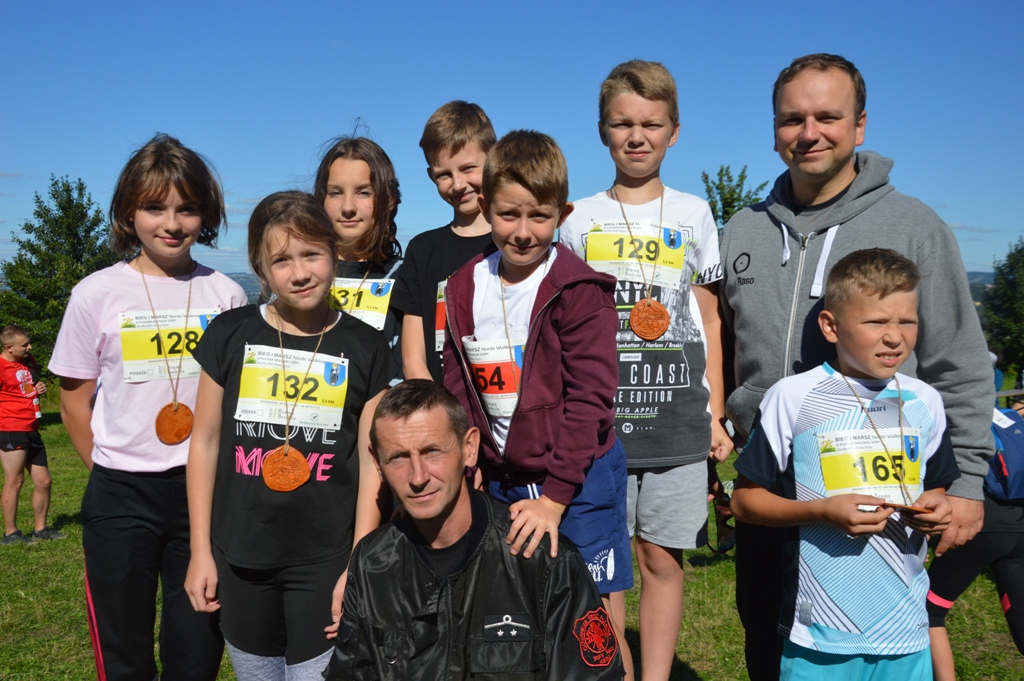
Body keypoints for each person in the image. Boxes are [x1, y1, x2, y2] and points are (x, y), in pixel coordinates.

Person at [719, 53, 994, 679]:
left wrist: (967, 483)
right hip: (769, 487)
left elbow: (958, 361)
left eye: (827, 116)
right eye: (792, 118)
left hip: (876, 493)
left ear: (860, 125)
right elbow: (725, 342)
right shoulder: (743, 229)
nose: (808, 132)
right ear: (774, 129)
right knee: (769, 644)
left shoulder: (916, 226)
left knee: (871, 647)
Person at [49, 134, 248, 680]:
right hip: (121, 493)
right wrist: (110, 470)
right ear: (128, 212)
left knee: (196, 651)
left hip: (203, 494)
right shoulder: (95, 293)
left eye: (187, 208)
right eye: (155, 207)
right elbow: (73, 401)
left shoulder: (227, 295)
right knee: (125, 653)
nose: (172, 223)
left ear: (206, 214)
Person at [558, 60, 730, 681]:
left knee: (661, 558)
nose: (637, 136)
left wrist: (715, 414)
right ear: (602, 131)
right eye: (622, 123)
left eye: (651, 124)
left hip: (677, 421)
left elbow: (709, 319)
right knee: (603, 567)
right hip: (599, 426)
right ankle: (617, 673)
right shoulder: (576, 217)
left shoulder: (695, 213)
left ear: (674, 131)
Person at [443, 130, 633, 677]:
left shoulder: (578, 289)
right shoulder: (462, 286)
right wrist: (470, 458)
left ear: (562, 214)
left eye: (539, 217)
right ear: (485, 207)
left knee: (594, 621)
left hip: (579, 479)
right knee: (520, 608)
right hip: (502, 479)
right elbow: (458, 382)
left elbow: (590, 401)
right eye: (508, 214)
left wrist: (554, 499)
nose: (523, 232)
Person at [185, 191, 396, 680]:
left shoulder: (366, 347)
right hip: (240, 552)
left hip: (326, 557)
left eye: (311, 254)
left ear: (334, 254)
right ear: (260, 269)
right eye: (281, 260)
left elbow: (372, 463)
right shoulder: (230, 334)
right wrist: (200, 551)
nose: (299, 273)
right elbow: (205, 443)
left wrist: (358, 563)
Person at [731, 248, 960, 680]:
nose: (894, 337)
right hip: (819, 632)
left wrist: (938, 507)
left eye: (907, 321)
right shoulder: (793, 397)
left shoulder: (925, 400)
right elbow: (743, 501)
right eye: (876, 322)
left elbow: (935, 487)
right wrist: (821, 511)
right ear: (831, 326)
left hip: (906, 629)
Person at [323, 379, 624, 680]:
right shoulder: (372, 563)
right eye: (398, 457)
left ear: (469, 449)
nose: (417, 477)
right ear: (377, 462)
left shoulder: (543, 563)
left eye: (432, 452)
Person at [391, 100, 497, 382]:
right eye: (444, 175)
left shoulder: (518, 245)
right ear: (431, 176)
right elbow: (413, 361)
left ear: (493, 159)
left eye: (468, 168)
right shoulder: (422, 251)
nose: (458, 184)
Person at [926, 405, 1024, 680]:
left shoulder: (943, 413)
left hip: (978, 523)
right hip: (1018, 523)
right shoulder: (1004, 416)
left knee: (931, 610)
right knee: (1019, 611)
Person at [313, 137, 404, 368]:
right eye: (335, 193)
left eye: (363, 192)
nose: (348, 207)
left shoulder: (407, 277)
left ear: (389, 199)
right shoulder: (297, 275)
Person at [0, 324, 63, 544]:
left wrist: (38, 389)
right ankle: (11, 533)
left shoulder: (28, 361)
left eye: (29, 343)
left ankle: (40, 529)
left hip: (32, 427)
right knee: (15, 480)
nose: (30, 347)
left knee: (43, 481)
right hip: (11, 429)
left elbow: (25, 388)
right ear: (9, 347)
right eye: (24, 345)